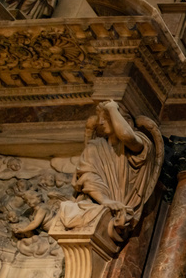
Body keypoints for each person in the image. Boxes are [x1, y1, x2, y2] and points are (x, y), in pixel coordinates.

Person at [55, 100, 163, 245]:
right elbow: (88, 177)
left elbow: (127, 136)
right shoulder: (95, 147)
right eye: (100, 118)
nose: (100, 122)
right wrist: (105, 200)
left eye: (105, 118)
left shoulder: (142, 143)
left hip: (122, 211)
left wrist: (112, 107)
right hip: (101, 201)